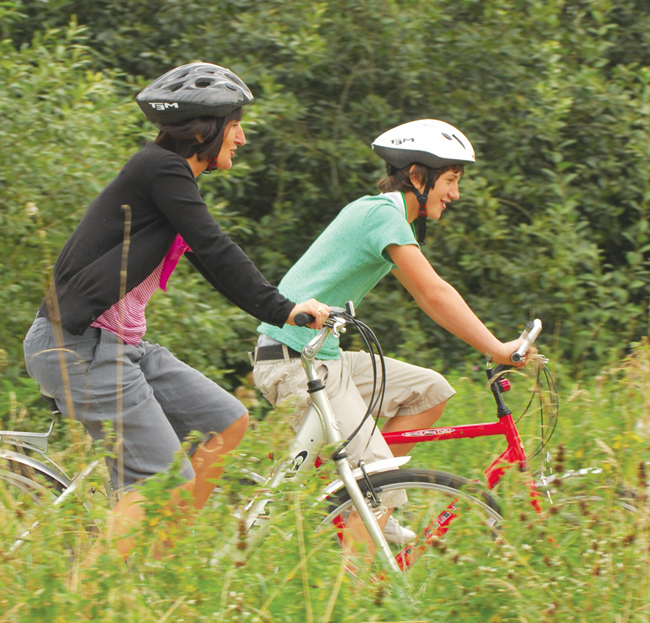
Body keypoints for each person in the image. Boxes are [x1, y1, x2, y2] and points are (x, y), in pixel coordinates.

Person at [22, 62, 330, 559]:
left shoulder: (167, 179)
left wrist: (280, 308)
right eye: (237, 126)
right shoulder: (161, 168)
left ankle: (158, 563)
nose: (244, 138)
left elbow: (211, 259)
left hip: (119, 348)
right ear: (205, 130)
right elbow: (215, 247)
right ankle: (88, 601)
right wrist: (283, 308)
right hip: (79, 347)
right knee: (160, 477)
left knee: (225, 421)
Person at [252, 119, 529, 546]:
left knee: (430, 390)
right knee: (378, 476)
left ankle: (362, 502)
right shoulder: (382, 213)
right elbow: (434, 293)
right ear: (418, 177)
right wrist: (497, 348)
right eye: (451, 181)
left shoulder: (385, 216)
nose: (455, 193)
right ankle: (366, 543)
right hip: (293, 360)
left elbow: (427, 294)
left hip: (322, 357)